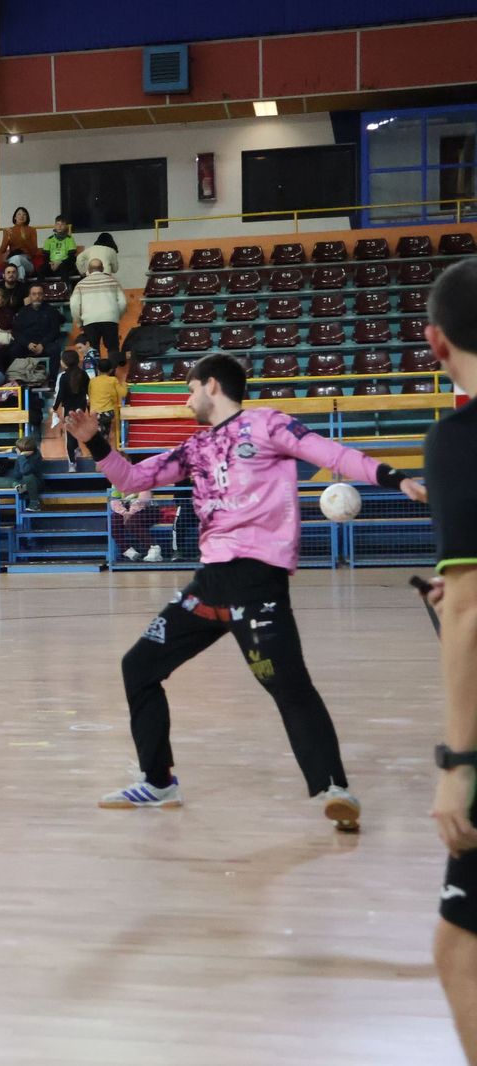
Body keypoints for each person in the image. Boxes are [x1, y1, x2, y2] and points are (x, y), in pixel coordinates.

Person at [65, 353, 426, 825]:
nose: (188, 399)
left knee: (288, 685)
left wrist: (394, 477)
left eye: (191, 389)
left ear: (212, 386)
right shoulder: (195, 448)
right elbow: (133, 478)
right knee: (138, 666)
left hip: (258, 581)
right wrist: (95, 443)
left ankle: (334, 790)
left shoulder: (267, 424)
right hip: (210, 584)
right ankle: (158, 783)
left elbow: (331, 454)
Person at [414, 260, 477, 1060]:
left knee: (459, 949)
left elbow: (469, 610)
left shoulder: (459, 441)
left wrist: (458, 763)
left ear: (434, 341)